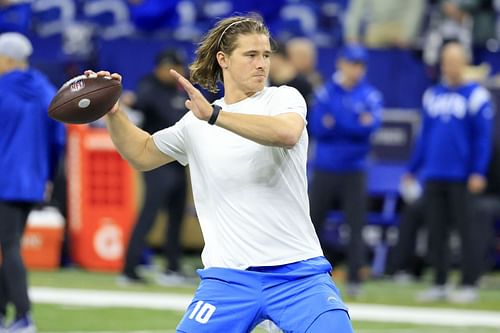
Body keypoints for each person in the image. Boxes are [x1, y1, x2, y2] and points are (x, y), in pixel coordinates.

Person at [87, 14, 353, 333]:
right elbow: (142, 154)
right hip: (228, 280)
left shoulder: (282, 98)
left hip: (298, 275)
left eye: (266, 55)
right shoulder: (196, 123)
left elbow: (287, 133)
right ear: (223, 60)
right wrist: (113, 114)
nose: (261, 64)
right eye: (251, 55)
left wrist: (214, 115)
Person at [403, 42, 493, 303]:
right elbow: (425, 137)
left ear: (464, 62)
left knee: (466, 231)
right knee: (436, 230)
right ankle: (440, 282)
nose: (449, 65)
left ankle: (468, 283)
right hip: (434, 174)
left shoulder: (477, 96)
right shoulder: (432, 95)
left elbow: (482, 139)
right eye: (446, 60)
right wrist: (413, 169)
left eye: (454, 60)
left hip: (462, 176)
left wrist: (478, 171)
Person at [0, 32, 66, 332]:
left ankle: (24, 316)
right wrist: (47, 178)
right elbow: (58, 141)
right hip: (32, 182)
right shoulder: (45, 90)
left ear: (6, 59)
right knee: (9, 243)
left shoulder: (2, 89)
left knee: (9, 246)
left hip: (4, 180)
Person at [308, 44, 383, 298]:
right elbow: (318, 127)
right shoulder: (326, 91)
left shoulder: (370, 94)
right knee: (310, 225)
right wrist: (352, 122)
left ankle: (354, 279)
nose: (356, 70)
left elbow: (368, 129)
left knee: (356, 225)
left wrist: (337, 122)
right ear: (341, 63)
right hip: (326, 168)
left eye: (360, 65)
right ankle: (305, 278)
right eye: (352, 63)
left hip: (355, 169)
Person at [118, 49, 190, 286]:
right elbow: (139, 108)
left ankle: (172, 267)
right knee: (149, 214)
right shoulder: (148, 87)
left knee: (176, 216)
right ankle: (129, 269)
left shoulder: (182, 88)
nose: (176, 72)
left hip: (179, 163)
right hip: (157, 163)